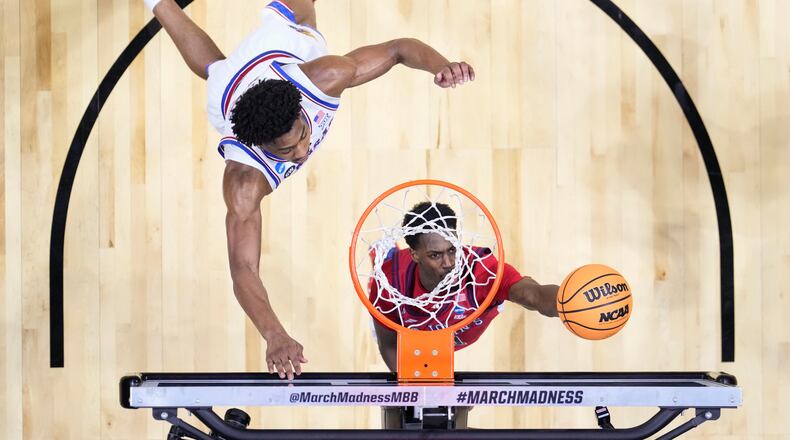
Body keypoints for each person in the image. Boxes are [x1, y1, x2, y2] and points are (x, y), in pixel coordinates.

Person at [144, 0, 475, 380]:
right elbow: (243, 269)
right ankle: (160, 4)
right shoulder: (245, 180)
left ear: (301, 109)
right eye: (285, 150)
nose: (302, 153)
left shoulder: (323, 76)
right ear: (258, 145)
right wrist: (274, 334)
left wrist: (442, 66)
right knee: (216, 71)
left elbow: (399, 48)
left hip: (281, 44)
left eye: (303, 134)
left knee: (299, 13)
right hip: (228, 90)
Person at [368, 201, 559, 428]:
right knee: (413, 411)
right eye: (435, 255)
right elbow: (390, 345)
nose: (449, 262)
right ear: (415, 255)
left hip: (461, 327)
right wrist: (417, 393)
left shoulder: (481, 270)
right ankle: (385, 251)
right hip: (412, 335)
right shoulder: (390, 285)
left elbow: (534, 296)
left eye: (452, 250)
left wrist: (569, 303)